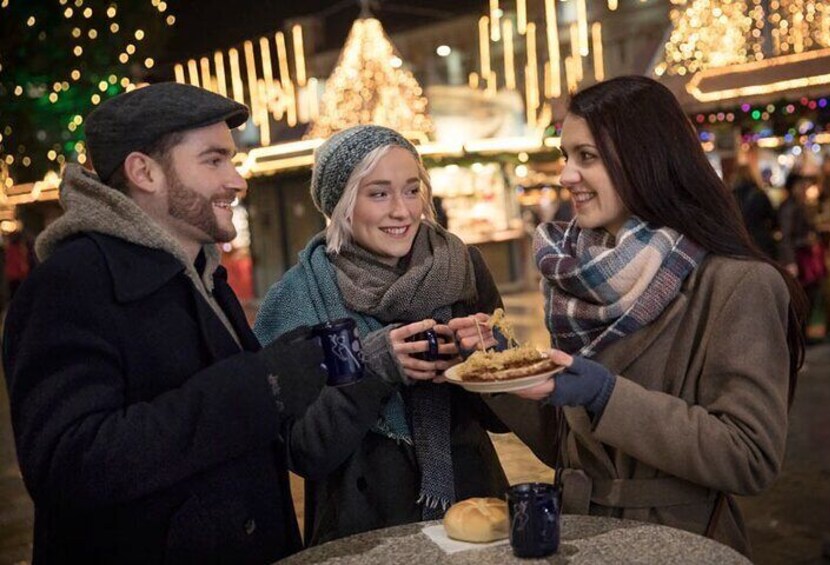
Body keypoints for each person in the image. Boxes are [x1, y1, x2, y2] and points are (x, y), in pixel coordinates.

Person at [2, 83, 333, 563]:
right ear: (144, 171)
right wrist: (261, 388)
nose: (237, 181)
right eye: (213, 160)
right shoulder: (70, 284)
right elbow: (69, 464)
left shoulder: (200, 271)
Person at [484, 76, 806, 558]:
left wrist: (607, 395)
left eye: (586, 156)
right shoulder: (575, 282)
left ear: (644, 160)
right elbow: (566, 447)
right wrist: (498, 368)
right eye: (566, 155)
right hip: (579, 539)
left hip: (676, 544)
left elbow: (749, 458)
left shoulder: (737, 283)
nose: (567, 175)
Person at [254, 125, 509, 546]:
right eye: (378, 193)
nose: (403, 211)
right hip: (362, 528)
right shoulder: (298, 298)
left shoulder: (461, 265)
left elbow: (500, 421)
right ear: (341, 204)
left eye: (412, 190)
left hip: (473, 511)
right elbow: (304, 452)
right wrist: (368, 369)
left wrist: (491, 360)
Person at [779, 172, 830, 340]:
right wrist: (791, 261)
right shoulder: (789, 207)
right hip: (799, 259)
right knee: (802, 299)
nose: (804, 189)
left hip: (806, 258)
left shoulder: (799, 205)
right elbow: (786, 237)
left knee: (811, 296)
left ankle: (806, 335)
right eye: (800, 186)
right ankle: (802, 337)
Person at [731, 160, 778, 260]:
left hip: (740, 241)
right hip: (760, 240)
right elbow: (773, 217)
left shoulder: (731, 196)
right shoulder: (759, 194)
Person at [4, 231, 31, 300]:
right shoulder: (19, 249)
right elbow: (20, 262)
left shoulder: (9, 249)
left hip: (12, 275)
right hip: (18, 275)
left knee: (13, 294)